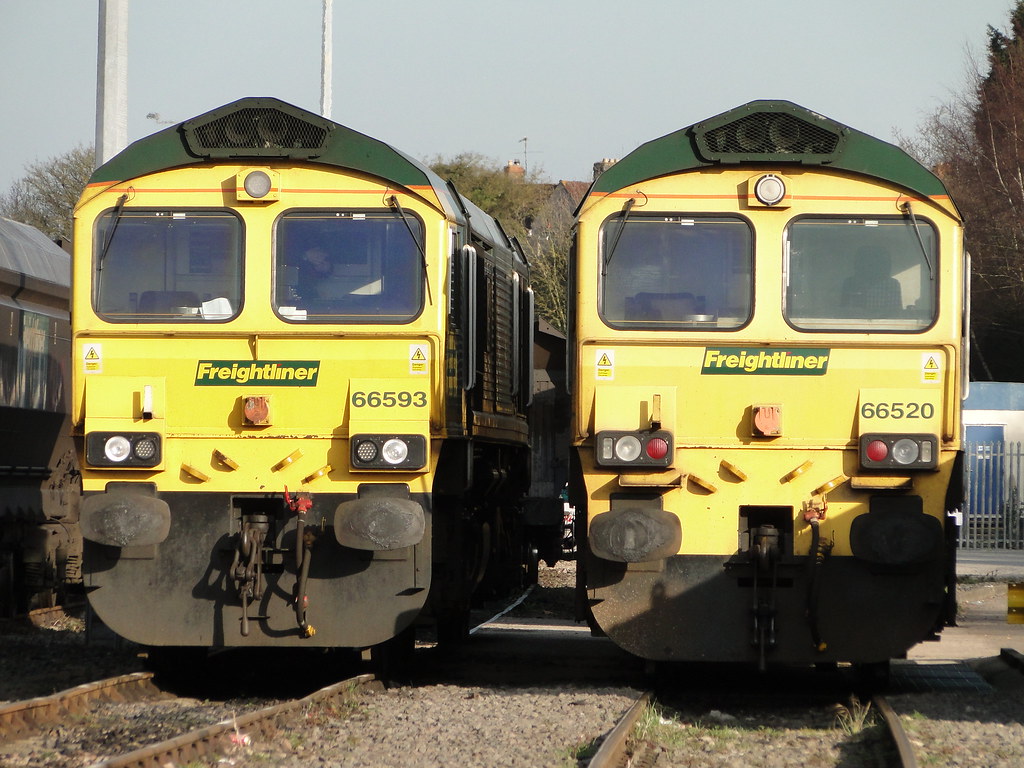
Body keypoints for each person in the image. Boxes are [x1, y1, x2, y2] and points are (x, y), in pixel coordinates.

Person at [841, 245, 902, 318]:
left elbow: (894, 315)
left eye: (881, 262)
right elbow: (844, 313)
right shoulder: (850, 283)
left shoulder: (891, 285)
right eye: (868, 262)